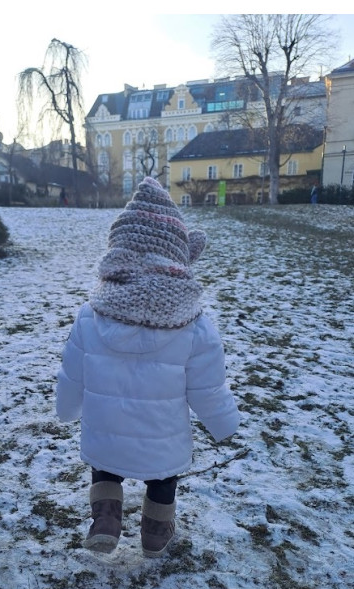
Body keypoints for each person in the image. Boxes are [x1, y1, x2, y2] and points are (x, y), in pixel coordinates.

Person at [55, 177, 240, 557]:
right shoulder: (194, 321)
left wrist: (66, 410)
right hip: (163, 436)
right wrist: (225, 424)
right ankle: (155, 532)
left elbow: (72, 372)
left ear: (118, 250)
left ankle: (105, 518)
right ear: (177, 256)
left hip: (104, 428)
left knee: (105, 468)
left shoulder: (91, 314)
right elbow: (208, 387)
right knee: (163, 477)